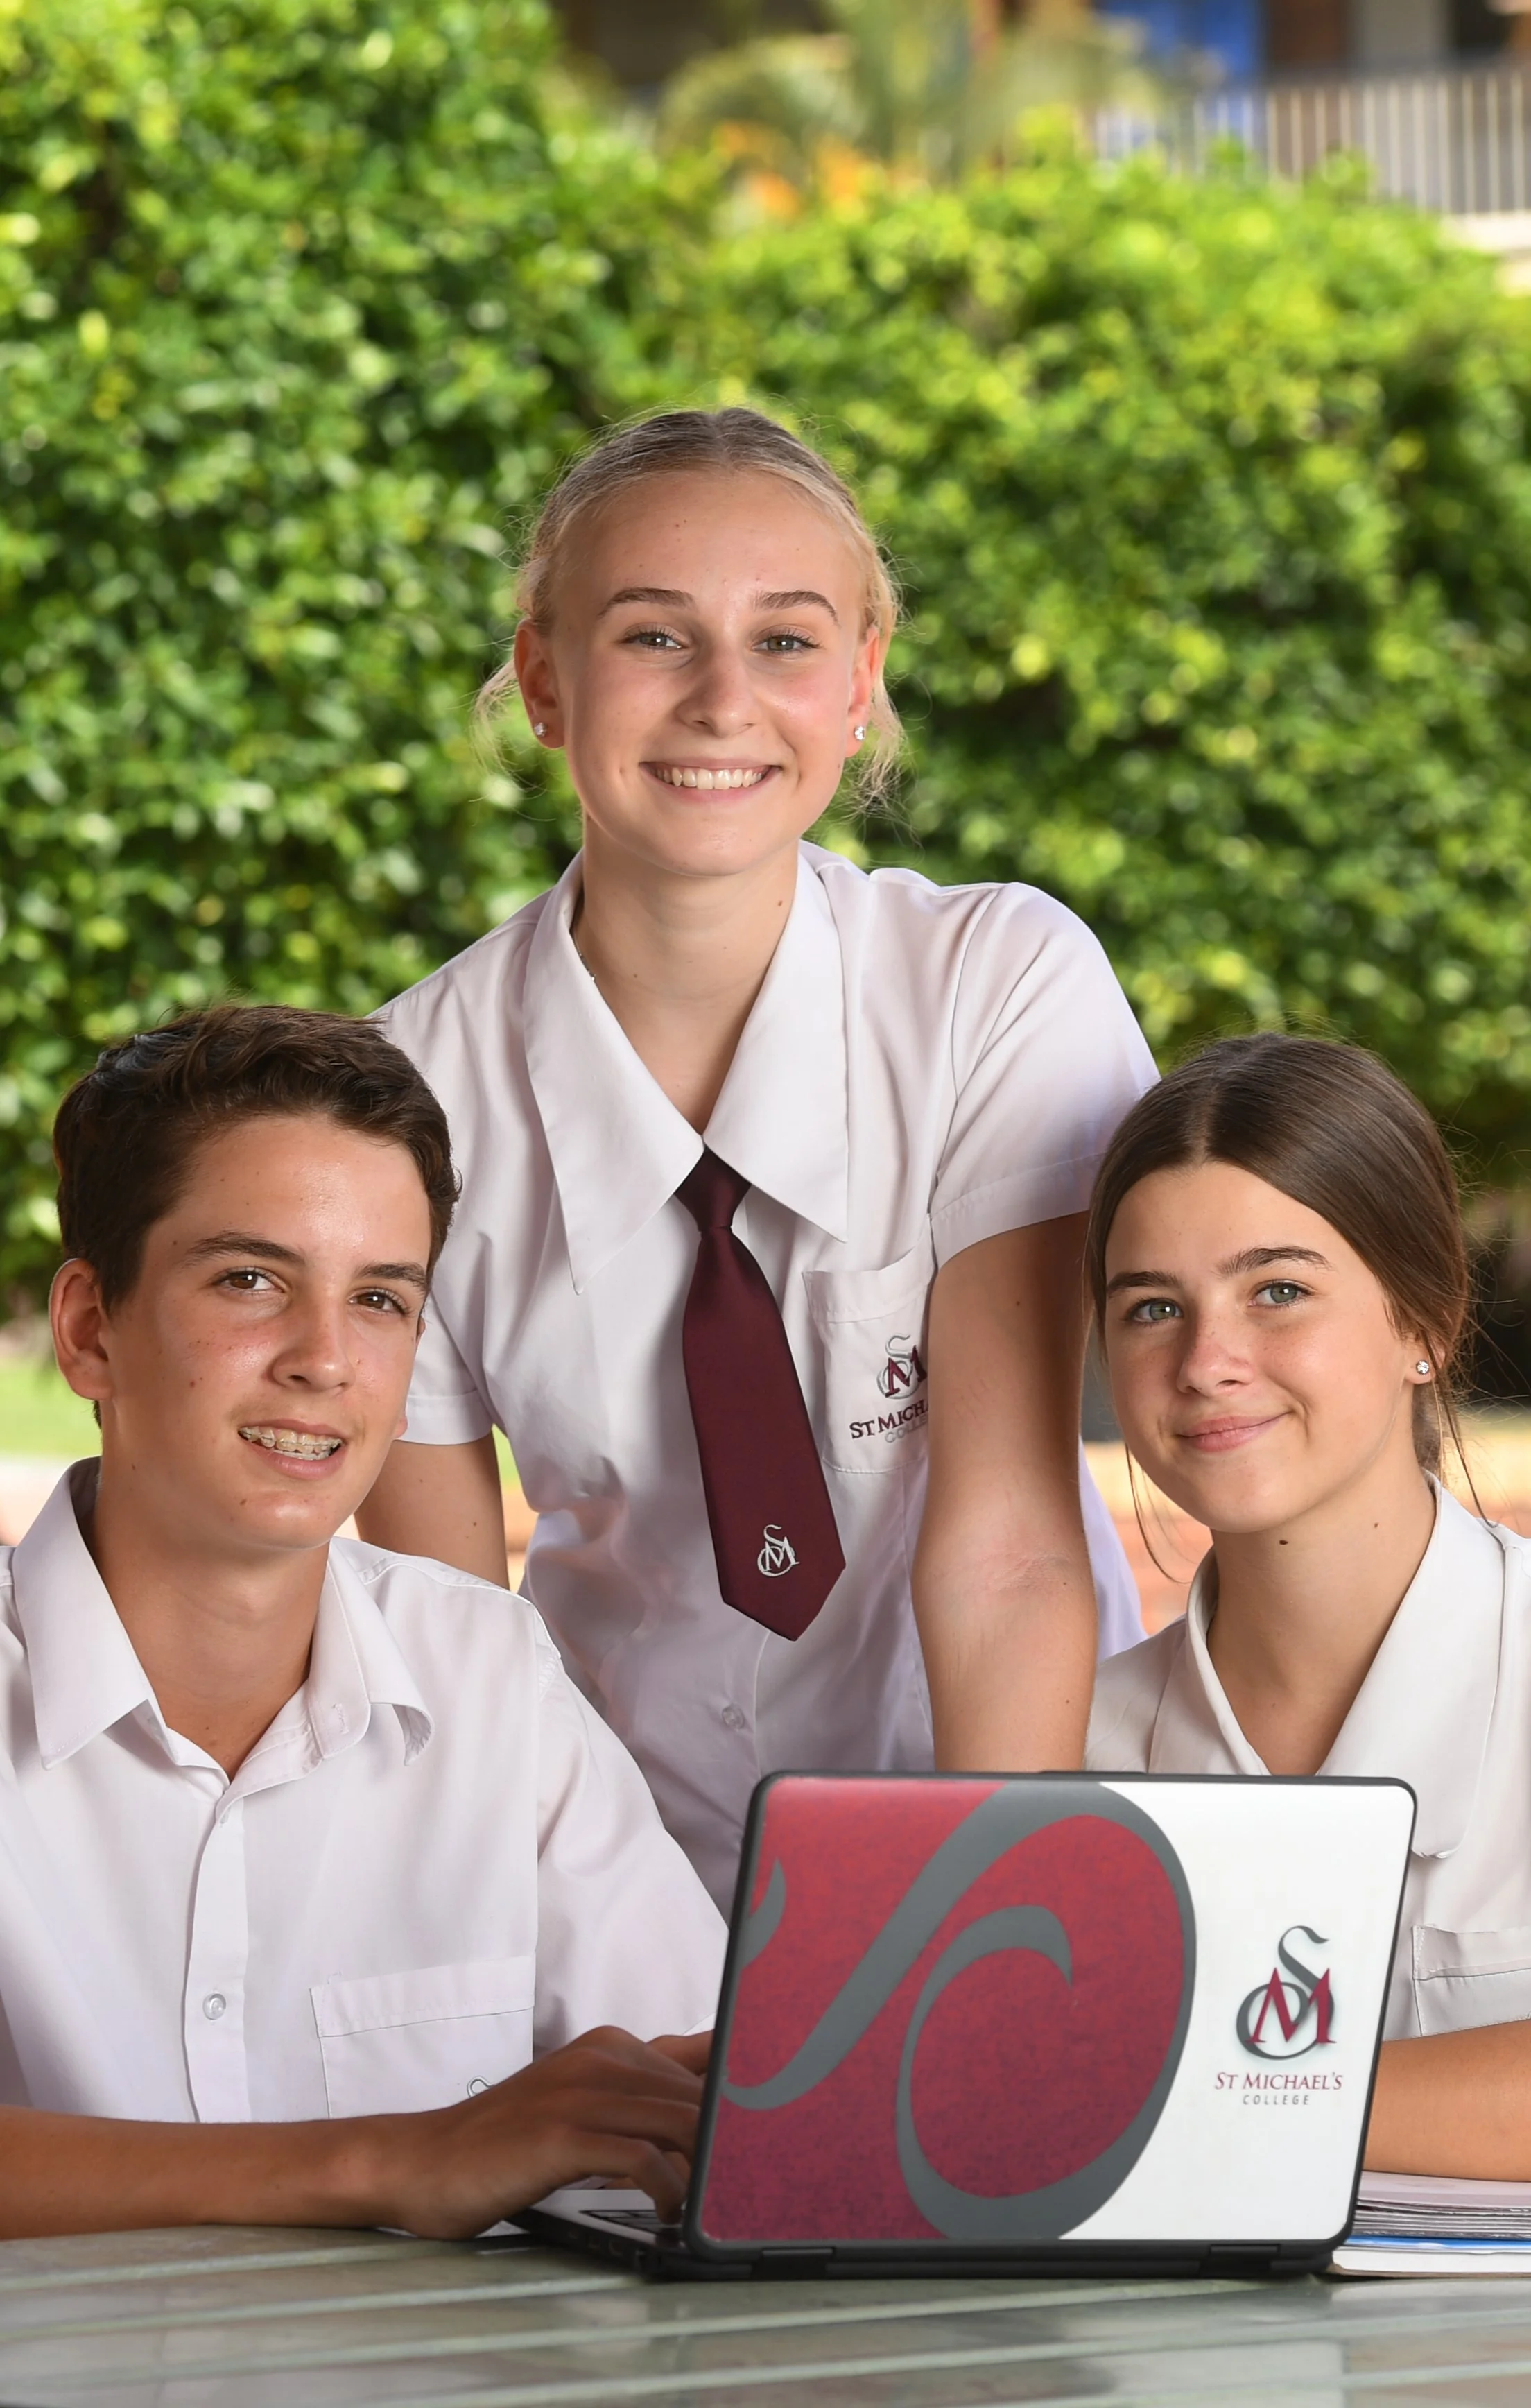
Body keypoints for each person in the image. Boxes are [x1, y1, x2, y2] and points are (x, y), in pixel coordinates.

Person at [358, 406, 1157, 1907]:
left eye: (788, 643)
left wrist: (985, 1958)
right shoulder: (407, 1094)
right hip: (616, 1860)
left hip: (1002, 1818)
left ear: (860, 687)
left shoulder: (1000, 986)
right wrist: (566, 1963)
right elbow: (445, 1622)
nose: (725, 698)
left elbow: (1007, 1549)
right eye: (655, 637)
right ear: (544, 679)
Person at [0, 1005, 723, 2239]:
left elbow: (703, 2085)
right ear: (89, 1330)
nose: (327, 1359)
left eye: (382, 1298)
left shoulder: (493, 1677)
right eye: (250, 1280)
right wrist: (395, 2163)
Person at [1084, 1030, 1531, 2178]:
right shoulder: (1069, 1752)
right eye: (1151, 1308)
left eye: (1278, 1290)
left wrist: (1188, 2094)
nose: (1208, 1361)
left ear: (1423, 1322)